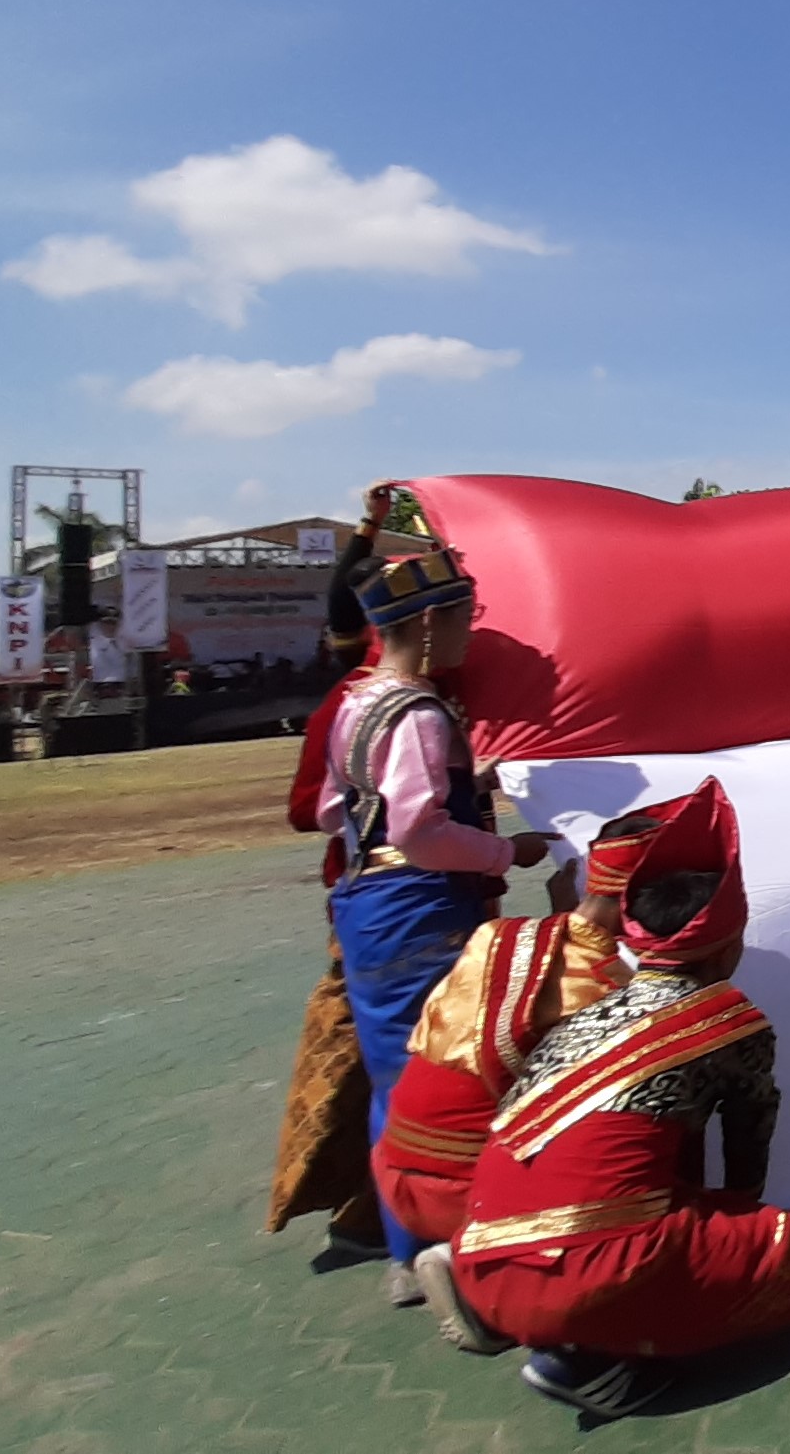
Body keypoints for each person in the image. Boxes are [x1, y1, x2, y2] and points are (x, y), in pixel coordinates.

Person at [448, 779, 790, 1418]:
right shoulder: (726, 1019)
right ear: (730, 944)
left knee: (649, 1199)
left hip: (479, 1244)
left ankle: (520, 1311)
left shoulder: (591, 1011)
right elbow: (749, 1141)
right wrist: (738, 1225)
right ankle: (591, 1359)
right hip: (590, 1269)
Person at [320, 546, 558, 1307]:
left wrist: (470, 781)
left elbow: (335, 810)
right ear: (426, 623)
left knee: (398, 1071)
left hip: (367, 903)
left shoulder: (357, 703)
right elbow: (419, 829)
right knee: (455, 1065)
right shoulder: (420, 714)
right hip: (420, 904)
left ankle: (406, 1244)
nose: (467, 636)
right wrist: (503, 849)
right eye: (461, 619)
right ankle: (455, 1241)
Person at [387, 815, 650, 1352]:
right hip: (461, 1191)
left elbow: (541, 991)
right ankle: (483, 1270)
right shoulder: (608, 989)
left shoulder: (498, 938)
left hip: (397, 1168)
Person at [267, 481, 403, 1256]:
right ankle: (378, 1212)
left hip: (401, 901)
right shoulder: (364, 701)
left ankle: (373, 1206)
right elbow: (307, 808)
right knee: (386, 1061)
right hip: (383, 905)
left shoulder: (402, 688)